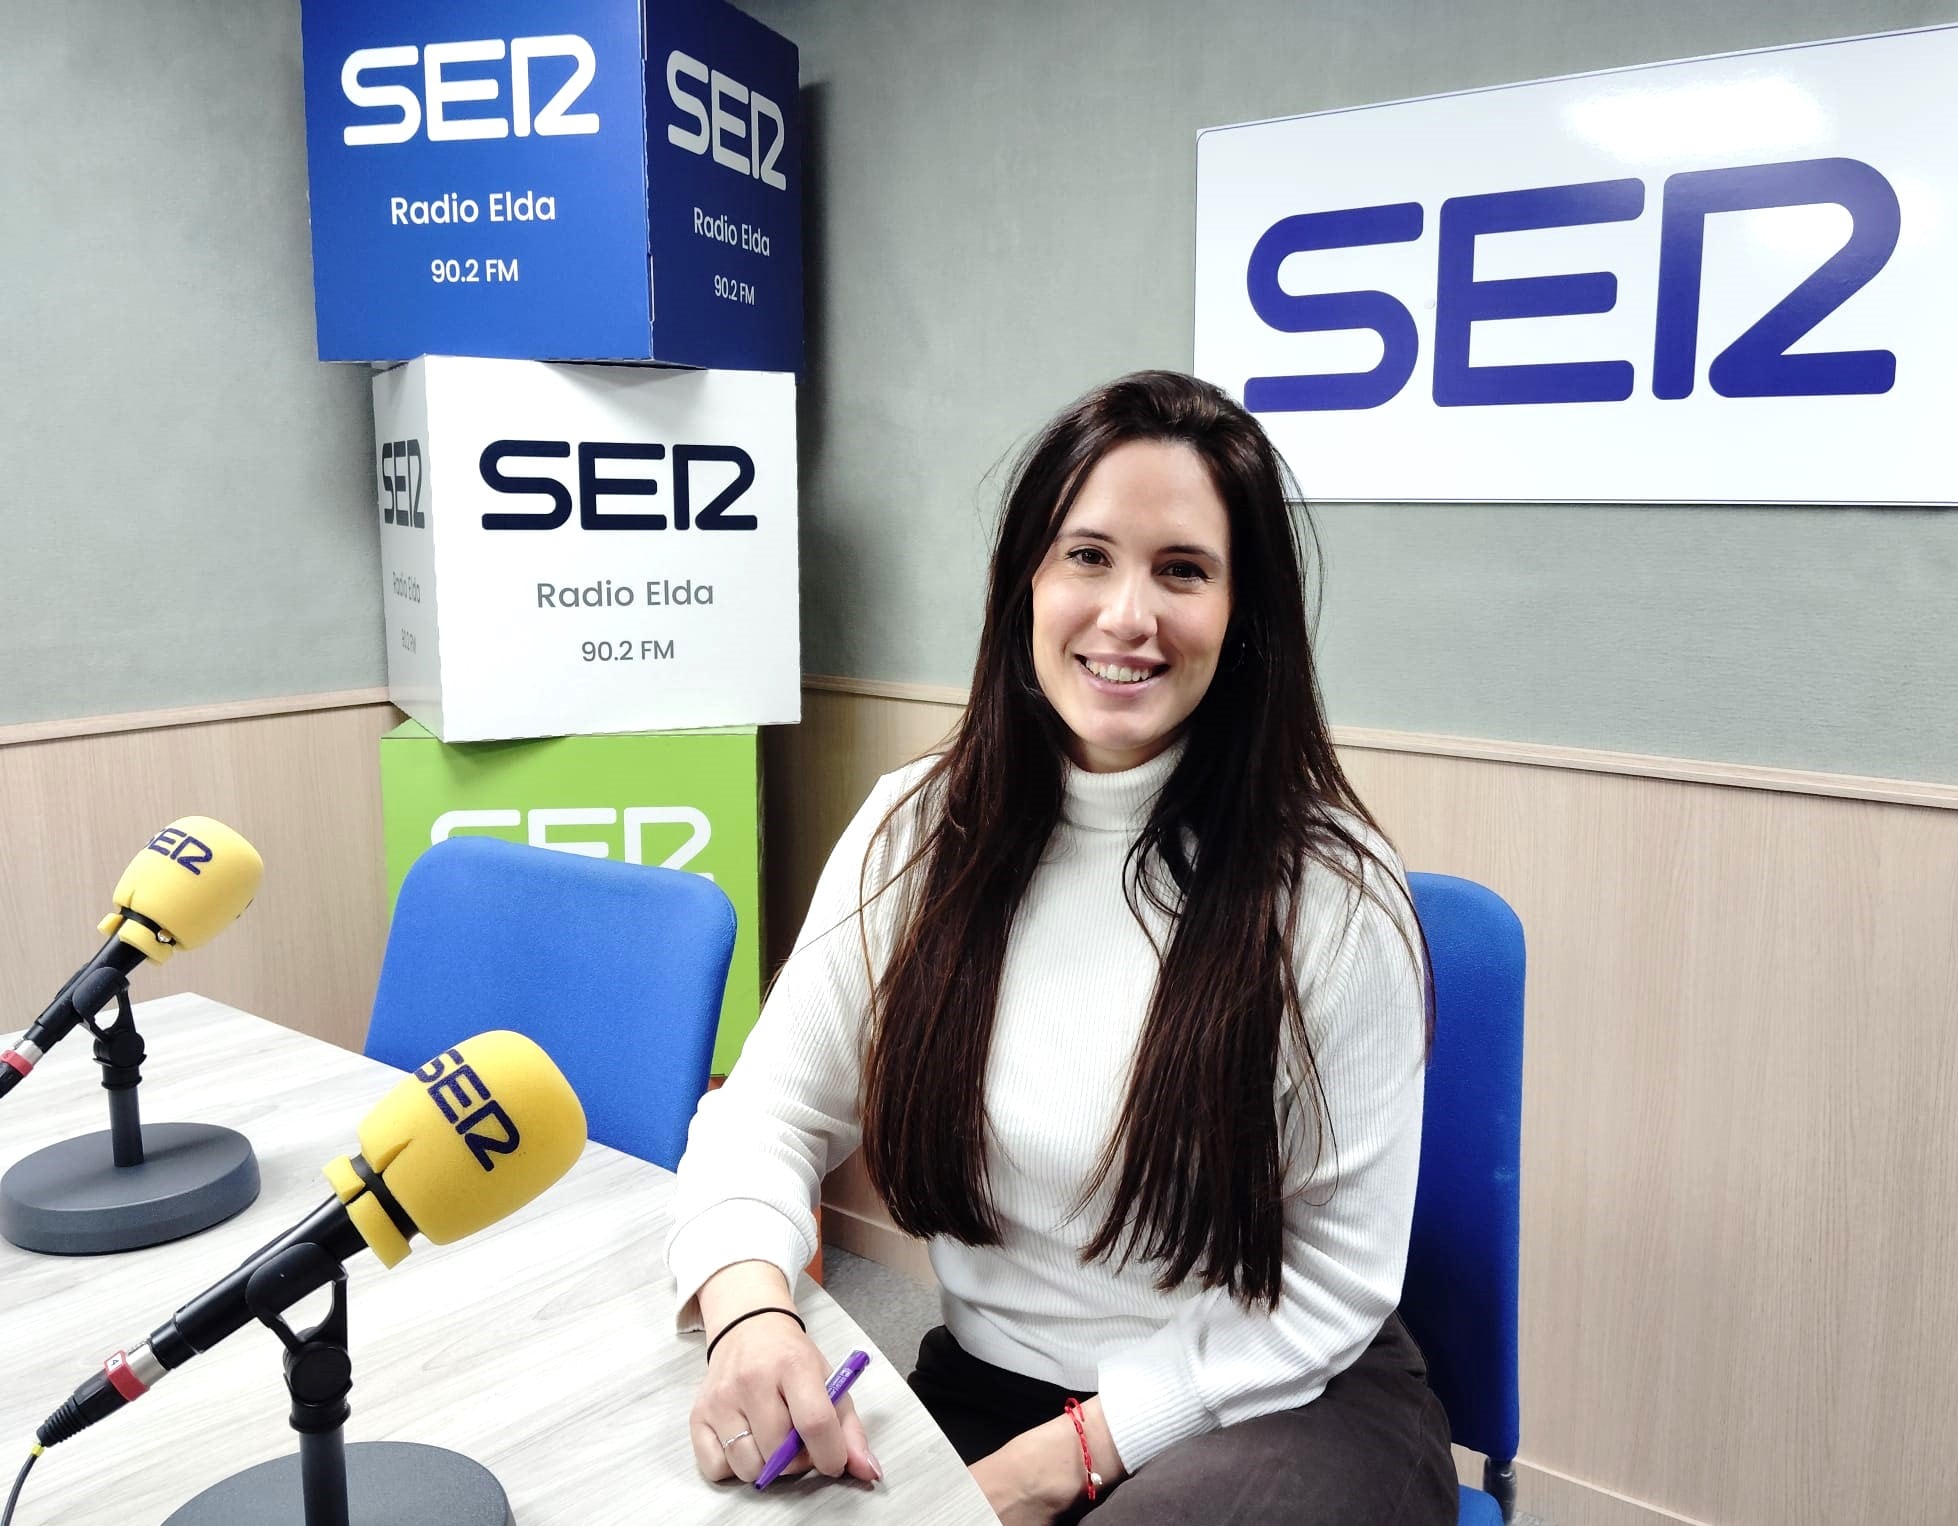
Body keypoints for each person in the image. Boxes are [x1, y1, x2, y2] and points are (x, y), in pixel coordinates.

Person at [665, 370, 1456, 1524]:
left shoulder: (1333, 893)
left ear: (1242, 614)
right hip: (995, 1388)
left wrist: (1059, 1462)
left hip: (1279, 1396)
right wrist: (750, 1314)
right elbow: (768, 1110)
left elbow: (1329, 1287)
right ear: (1024, 583)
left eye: (1181, 570)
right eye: (1087, 555)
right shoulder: (915, 828)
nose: (1127, 613)